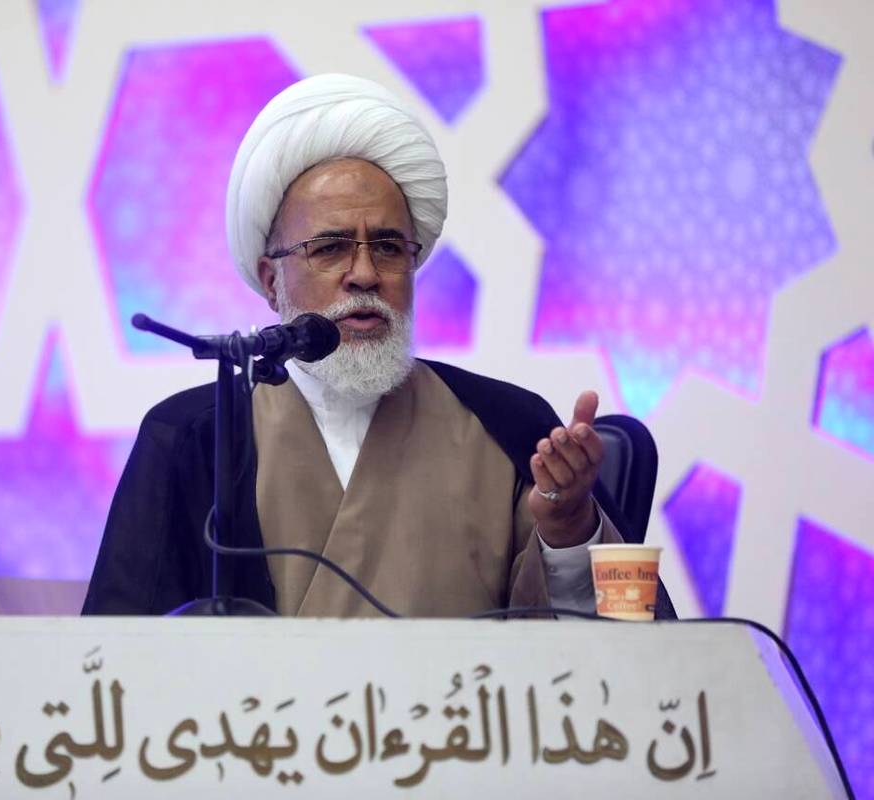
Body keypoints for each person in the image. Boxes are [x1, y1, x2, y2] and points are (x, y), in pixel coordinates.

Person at [83, 74, 674, 619]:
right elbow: (114, 663)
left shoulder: (510, 425)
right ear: (271, 281)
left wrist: (569, 531)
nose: (365, 273)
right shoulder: (192, 439)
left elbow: (635, 651)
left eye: (389, 248)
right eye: (330, 248)